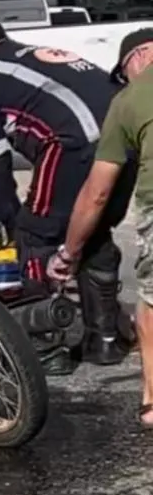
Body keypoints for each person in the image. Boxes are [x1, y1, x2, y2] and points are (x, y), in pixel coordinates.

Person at [0, 13, 134, 371]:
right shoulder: (38, 55)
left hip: (74, 144)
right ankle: (105, 339)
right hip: (125, 139)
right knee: (93, 230)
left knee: (35, 234)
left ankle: (45, 347)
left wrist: (9, 213)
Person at [49, 28, 153, 421]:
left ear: (139, 56)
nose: (123, 81)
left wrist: (69, 251)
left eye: (123, 72)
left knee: (151, 304)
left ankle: (151, 400)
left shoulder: (128, 100)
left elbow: (97, 193)